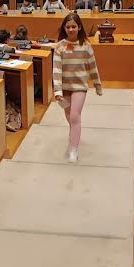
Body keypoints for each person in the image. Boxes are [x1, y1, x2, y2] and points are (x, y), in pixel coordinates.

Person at [53, 13, 102, 163]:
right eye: (68, 27)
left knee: (74, 115)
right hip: (64, 86)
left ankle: (74, 148)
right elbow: (57, 69)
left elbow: (93, 67)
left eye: (74, 26)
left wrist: (97, 84)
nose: (71, 29)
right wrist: (57, 90)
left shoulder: (86, 46)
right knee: (68, 114)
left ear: (79, 27)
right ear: (64, 28)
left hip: (80, 85)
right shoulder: (59, 46)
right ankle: (74, 131)